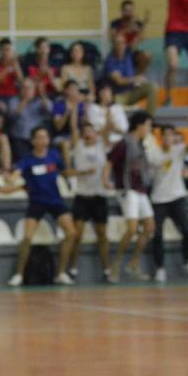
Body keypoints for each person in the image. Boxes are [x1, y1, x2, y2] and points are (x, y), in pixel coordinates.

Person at [4, 126, 78, 286]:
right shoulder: (27, 160)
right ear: (33, 141)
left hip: (56, 201)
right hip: (37, 202)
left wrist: (83, 173)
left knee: (71, 233)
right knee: (28, 237)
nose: (43, 140)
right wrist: (11, 179)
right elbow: (17, 173)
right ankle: (19, 274)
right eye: (39, 137)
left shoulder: (54, 156)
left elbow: (64, 172)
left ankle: (60, 273)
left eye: (45, 137)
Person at [147, 118, 188, 282]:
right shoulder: (153, 154)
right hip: (158, 199)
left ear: (174, 137)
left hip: (177, 197)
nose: (167, 138)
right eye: (164, 135)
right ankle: (160, 268)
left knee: (187, 231)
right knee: (157, 235)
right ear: (160, 137)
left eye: (171, 135)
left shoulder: (179, 150)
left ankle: (187, 262)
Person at [106, 110, 156, 281]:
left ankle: (133, 263)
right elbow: (110, 161)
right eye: (148, 125)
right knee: (132, 229)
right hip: (127, 190)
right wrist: (105, 179)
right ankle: (116, 264)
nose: (149, 129)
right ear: (140, 125)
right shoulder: (124, 143)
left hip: (140, 189)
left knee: (149, 227)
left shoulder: (140, 143)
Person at [64, 110, 112, 282]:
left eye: (90, 130)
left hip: (99, 195)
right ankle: (73, 267)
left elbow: (107, 128)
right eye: (84, 131)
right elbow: (73, 127)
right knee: (78, 234)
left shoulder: (101, 146)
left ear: (95, 132)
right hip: (83, 196)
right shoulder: (78, 147)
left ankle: (107, 269)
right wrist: (75, 106)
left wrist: (107, 112)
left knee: (102, 234)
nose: (87, 133)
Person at [102, 32, 157, 112]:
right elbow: (119, 81)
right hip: (119, 95)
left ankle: (149, 118)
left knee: (153, 87)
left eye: (123, 43)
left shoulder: (128, 53)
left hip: (133, 91)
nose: (121, 46)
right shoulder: (110, 61)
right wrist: (135, 79)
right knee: (114, 104)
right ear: (113, 45)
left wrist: (140, 36)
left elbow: (137, 42)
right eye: (118, 43)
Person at [9, 75, 53, 161]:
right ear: (20, 90)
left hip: (38, 139)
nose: (27, 90)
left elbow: (49, 109)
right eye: (24, 88)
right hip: (20, 138)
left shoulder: (40, 100)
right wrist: (25, 99)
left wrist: (42, 94)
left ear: (34, 90)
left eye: (29, 88)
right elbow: (12, 117)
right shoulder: (14, 100)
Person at [109, 0, 151, 74]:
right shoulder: (115, 23)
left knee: (147, 55)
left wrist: (144, 26)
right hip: (119, 52)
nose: (129, 12)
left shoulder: (137, 23)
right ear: (122, 11)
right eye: (126, 10)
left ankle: (139, 76)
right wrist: (128, 29)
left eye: (131, 10)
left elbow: (142, 37)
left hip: (131, 51)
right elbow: (113, 37)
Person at [87, 83, 129, 148]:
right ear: (100, 93)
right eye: (107, 91)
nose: (110, 94)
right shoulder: (93, 108)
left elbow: (124, 129)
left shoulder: (117, 107)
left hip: (120, 141)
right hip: (101, 142)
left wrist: (113, 127)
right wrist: (108, 123)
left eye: (110, 91)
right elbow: (94, 131)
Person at [0, 37, 23, 111]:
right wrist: (8, 68)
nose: (6, 52)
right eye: (4, 49)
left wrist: (16, 65)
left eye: (8, 50)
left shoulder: (15, 64)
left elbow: (21, 81)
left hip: (13, 96)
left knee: (14, 112)